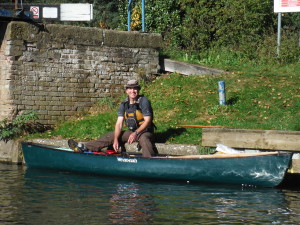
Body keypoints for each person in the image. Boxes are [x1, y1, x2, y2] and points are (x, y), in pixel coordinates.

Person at [68, 79, 158, 157]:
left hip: (144, 132)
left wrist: (136, 133)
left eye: (135, 88)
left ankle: (148, 160)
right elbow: (119, 124)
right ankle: (84, 147)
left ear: (138, 90)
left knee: (144, 139)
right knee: (112, 135)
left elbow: (147, 121)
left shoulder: (144, 101)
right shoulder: (124, 104)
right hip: (132, 132)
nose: (132, 91)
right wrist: (115, 140)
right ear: (126, 91)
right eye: (130, 88)